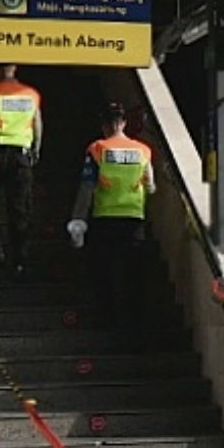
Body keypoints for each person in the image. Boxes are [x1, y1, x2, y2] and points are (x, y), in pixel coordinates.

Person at [67, 99, 156, 333]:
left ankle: (107, 321)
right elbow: (150, 185)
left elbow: (87, 187)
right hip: (134, 219)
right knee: (132, 275)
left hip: (105, 218)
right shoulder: (143, 151)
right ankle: (134, 324)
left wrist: (78, 220)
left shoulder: (97, 149)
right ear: (124, 123)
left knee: (104, 273)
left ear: (104, 125)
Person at [0, 63, 44, 276]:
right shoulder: (31, 94)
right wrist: (35, 152)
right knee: (20, 208)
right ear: (15, 69)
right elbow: (38, 125)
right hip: (21, 155)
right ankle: (20, 259)